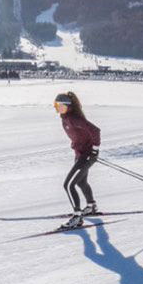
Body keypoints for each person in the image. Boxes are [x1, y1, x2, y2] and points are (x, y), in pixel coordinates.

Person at [54, 91, 101, 229]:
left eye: (60, 106)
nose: (58, 108)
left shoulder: (74, 119)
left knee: (68, 185)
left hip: (86, 156)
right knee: (81, 182)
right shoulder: (66, 119)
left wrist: (94, 150)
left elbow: (95, 131)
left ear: (68, 106)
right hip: (81, 155)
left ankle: (77, 216)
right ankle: (91, 205)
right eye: (56, 106)